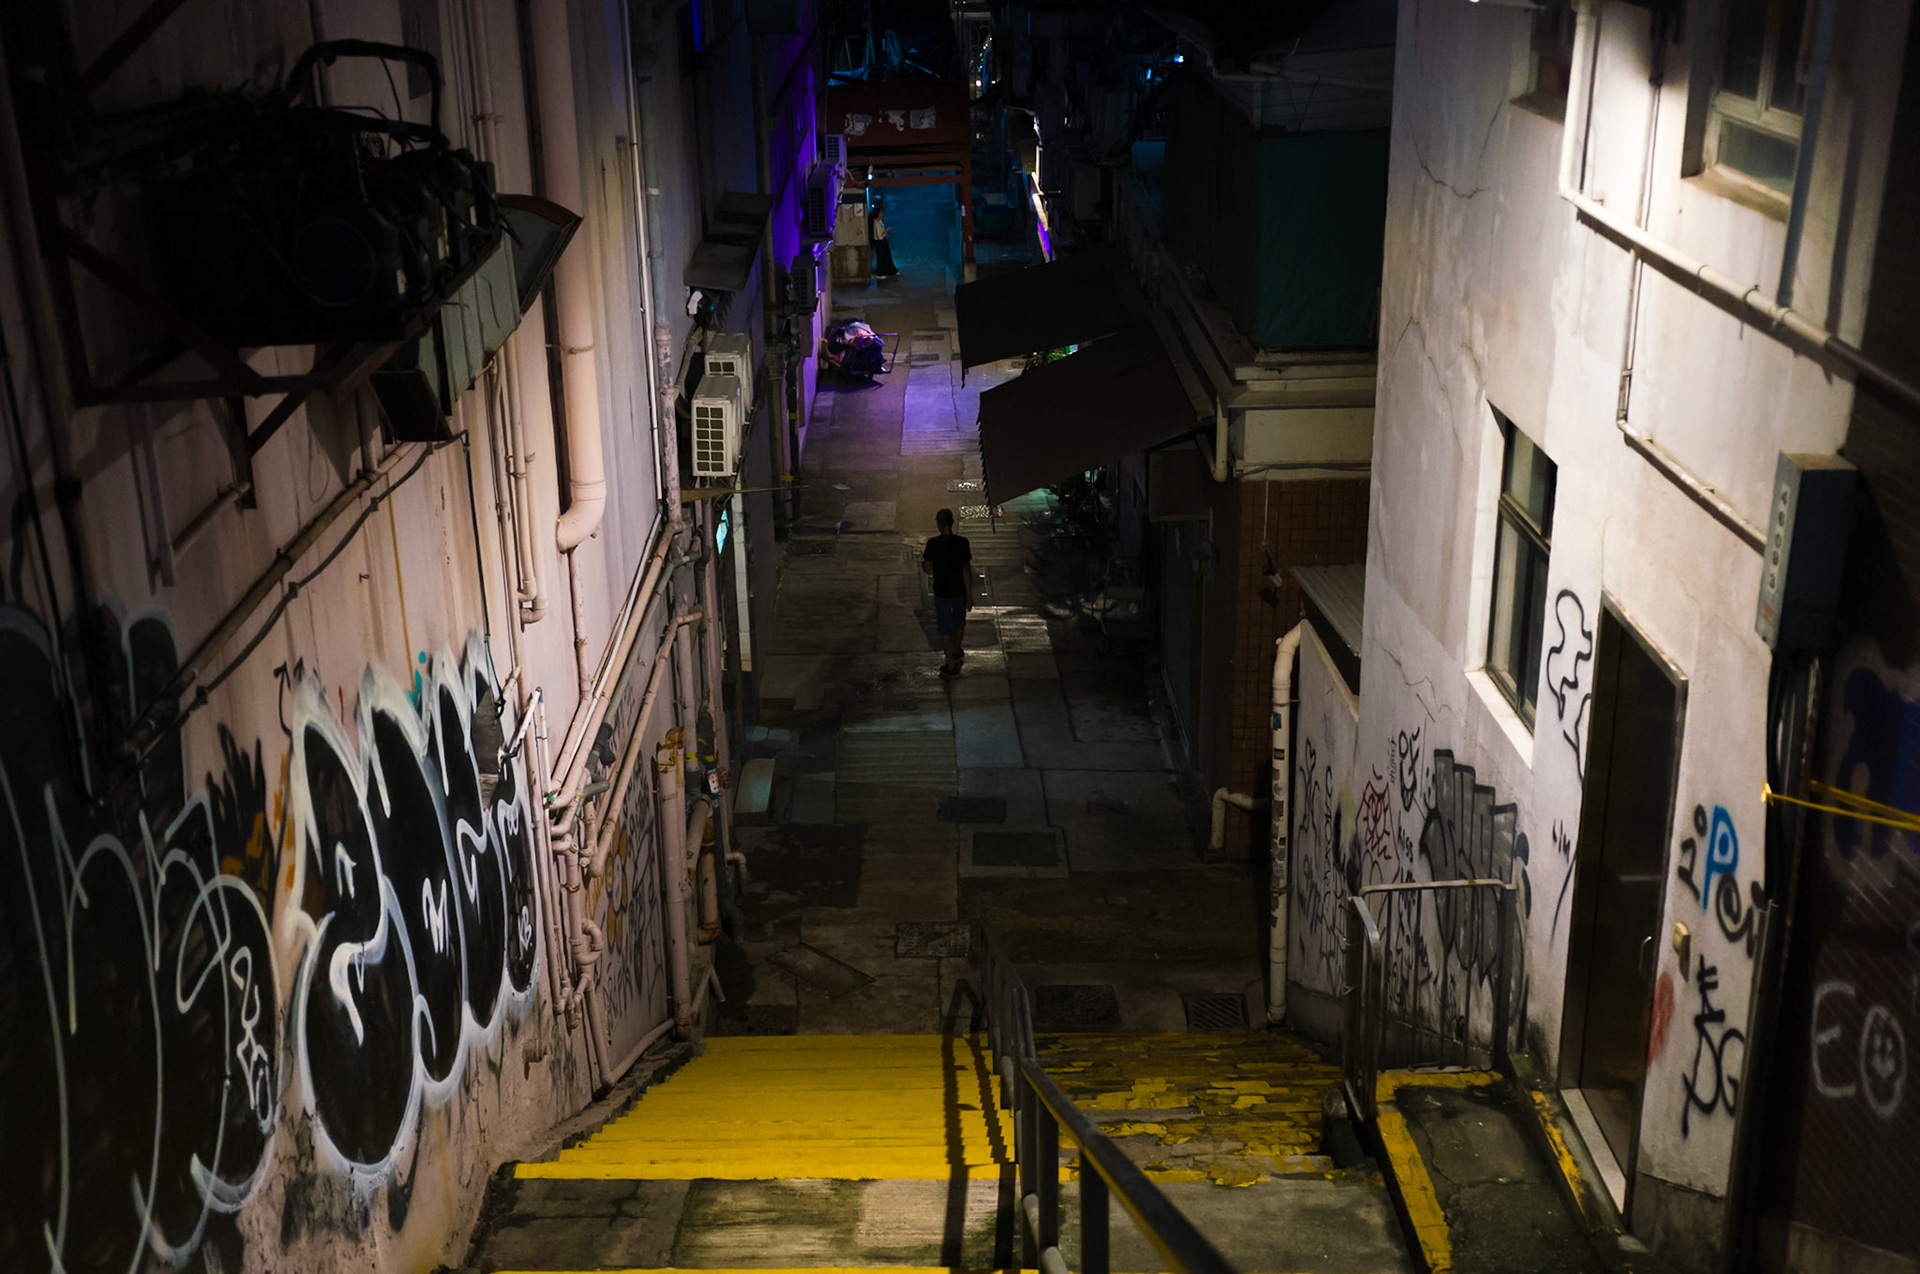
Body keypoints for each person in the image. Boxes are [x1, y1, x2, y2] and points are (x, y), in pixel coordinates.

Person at [921, 508, 972, 677]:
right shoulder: (962, 543)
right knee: (959, 623)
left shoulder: (933, 544)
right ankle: (956, 650)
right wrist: (969, 593)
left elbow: (927, 569)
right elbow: (966, 569)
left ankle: (950, 665)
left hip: (942, 592)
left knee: (944, 629)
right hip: (959, 590)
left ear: (939, 524)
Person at [870, 199, 898, 278]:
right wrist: (887, 230)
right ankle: (881, 272)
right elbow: (879, 233)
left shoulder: (879, 222)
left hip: (882, 240)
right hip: (880, 241)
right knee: (882, 257)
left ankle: (888, 271)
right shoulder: (876, 222)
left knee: (886, 256)